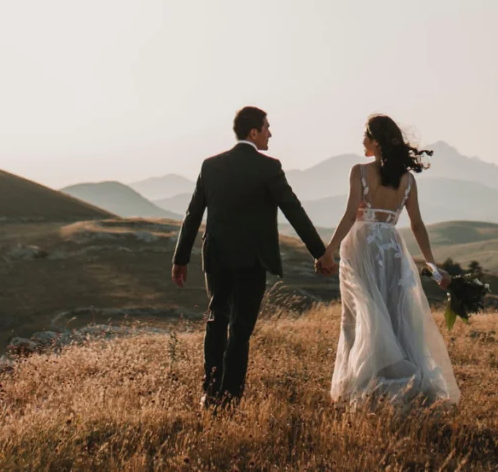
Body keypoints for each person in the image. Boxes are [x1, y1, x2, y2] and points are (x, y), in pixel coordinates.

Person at [171, 106, 333, 408]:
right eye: (267, 127)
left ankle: (210, 391)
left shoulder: (211, 166)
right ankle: (231, 397)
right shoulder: (268, 167)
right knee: (241, 329)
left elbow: (193, 213)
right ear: (253, 132)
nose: (270, 133)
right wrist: (320, 253)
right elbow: (293, 211)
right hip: (252, 262)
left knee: (217, 320)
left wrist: (180, 258)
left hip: (216, 258)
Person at [317, 114, 460, 407]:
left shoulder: (358, 171)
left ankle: (365, 384)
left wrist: (329, 249)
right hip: (392, 249)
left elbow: (348, 216)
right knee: (395, 315)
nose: (362, 141)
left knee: (360, 314)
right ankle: (402, 382)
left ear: (377, 142)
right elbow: (417, 225)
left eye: (366, 136)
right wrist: (432, 266)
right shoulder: (407, 180)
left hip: (361, 248)